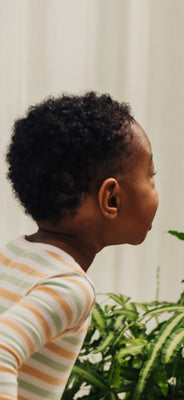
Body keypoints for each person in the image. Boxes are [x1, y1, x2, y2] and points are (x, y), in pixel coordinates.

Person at [0, 91, 159, 399]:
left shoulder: (12, 253)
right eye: (151, 174)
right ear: (111, 199)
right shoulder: (69, 286)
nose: (155, 186)